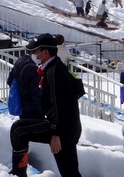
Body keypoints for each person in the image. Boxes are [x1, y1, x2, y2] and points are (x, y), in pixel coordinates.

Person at [9, 33, 83, 177]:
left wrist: (56, 134)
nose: (33, 54)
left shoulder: (55, 72)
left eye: (35, 51)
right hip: (64, 127)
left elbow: (60, 105)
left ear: (45, 52)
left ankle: (18, 174)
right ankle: (18, 173)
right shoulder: (53, 68)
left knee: (18, 131)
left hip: (63, 130)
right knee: (70, 172)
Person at [6, 52, 43, 120]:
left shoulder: (20, 60)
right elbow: (36, 93)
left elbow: (9, 80)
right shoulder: (32, 68)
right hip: (32, 108)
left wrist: (18, 90)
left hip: (22, 105)